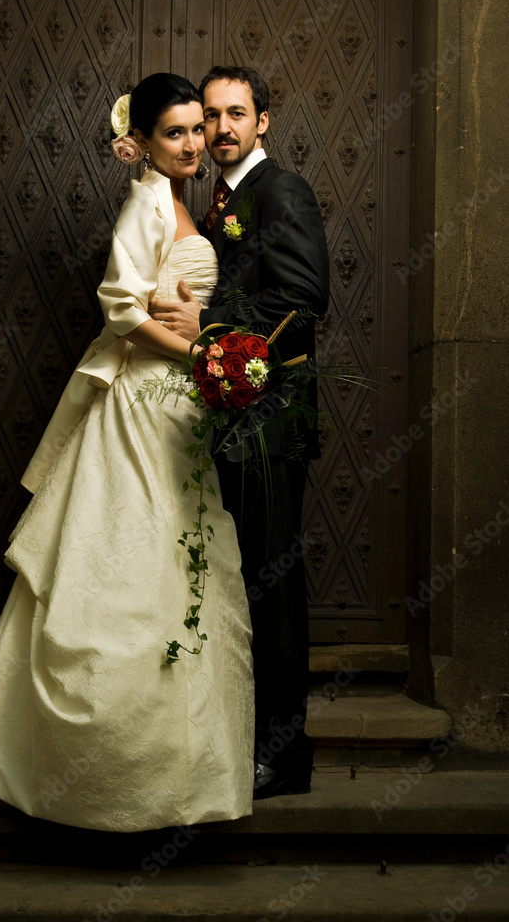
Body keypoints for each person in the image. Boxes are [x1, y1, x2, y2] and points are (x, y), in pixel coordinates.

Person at [0, 74, 254, 832]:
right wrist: (198, 356)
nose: (192, 143)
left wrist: (202, 353)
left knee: (180, 560)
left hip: (175, 410)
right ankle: (93, 775)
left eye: (195, 129)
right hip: (144, 402)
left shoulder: (175, 199)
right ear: (140, 142)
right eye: (174, 133)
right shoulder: (145, 204)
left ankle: (176, 768)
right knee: (127, 560)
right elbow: (120, 310)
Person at [148, 65, 329, 799]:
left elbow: (301, 299)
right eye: (211, 116)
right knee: (240, 583)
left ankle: (284, 757)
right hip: (233, 417)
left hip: (270, 422)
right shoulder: (225, 198)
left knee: (270, 583)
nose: (221, 128)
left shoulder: (277, 190)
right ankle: (242, 738)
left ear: (263, 122)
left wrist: (209, 327)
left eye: (235, 114)